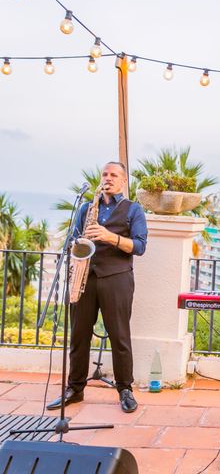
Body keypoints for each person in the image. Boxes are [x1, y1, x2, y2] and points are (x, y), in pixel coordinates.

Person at [47, 162, 148, 413]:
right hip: (85, 277)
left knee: (119, 336)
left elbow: (140, 246)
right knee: (79, 335)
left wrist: (109, 237)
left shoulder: (133, 210)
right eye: (105, 174)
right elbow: (73, 238)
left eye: (114, 175)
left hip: (117, 278)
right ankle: (75, 388)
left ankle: (125, 389)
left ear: (124, 181)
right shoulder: (86, 208)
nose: (108, 178)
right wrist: (77, 243)